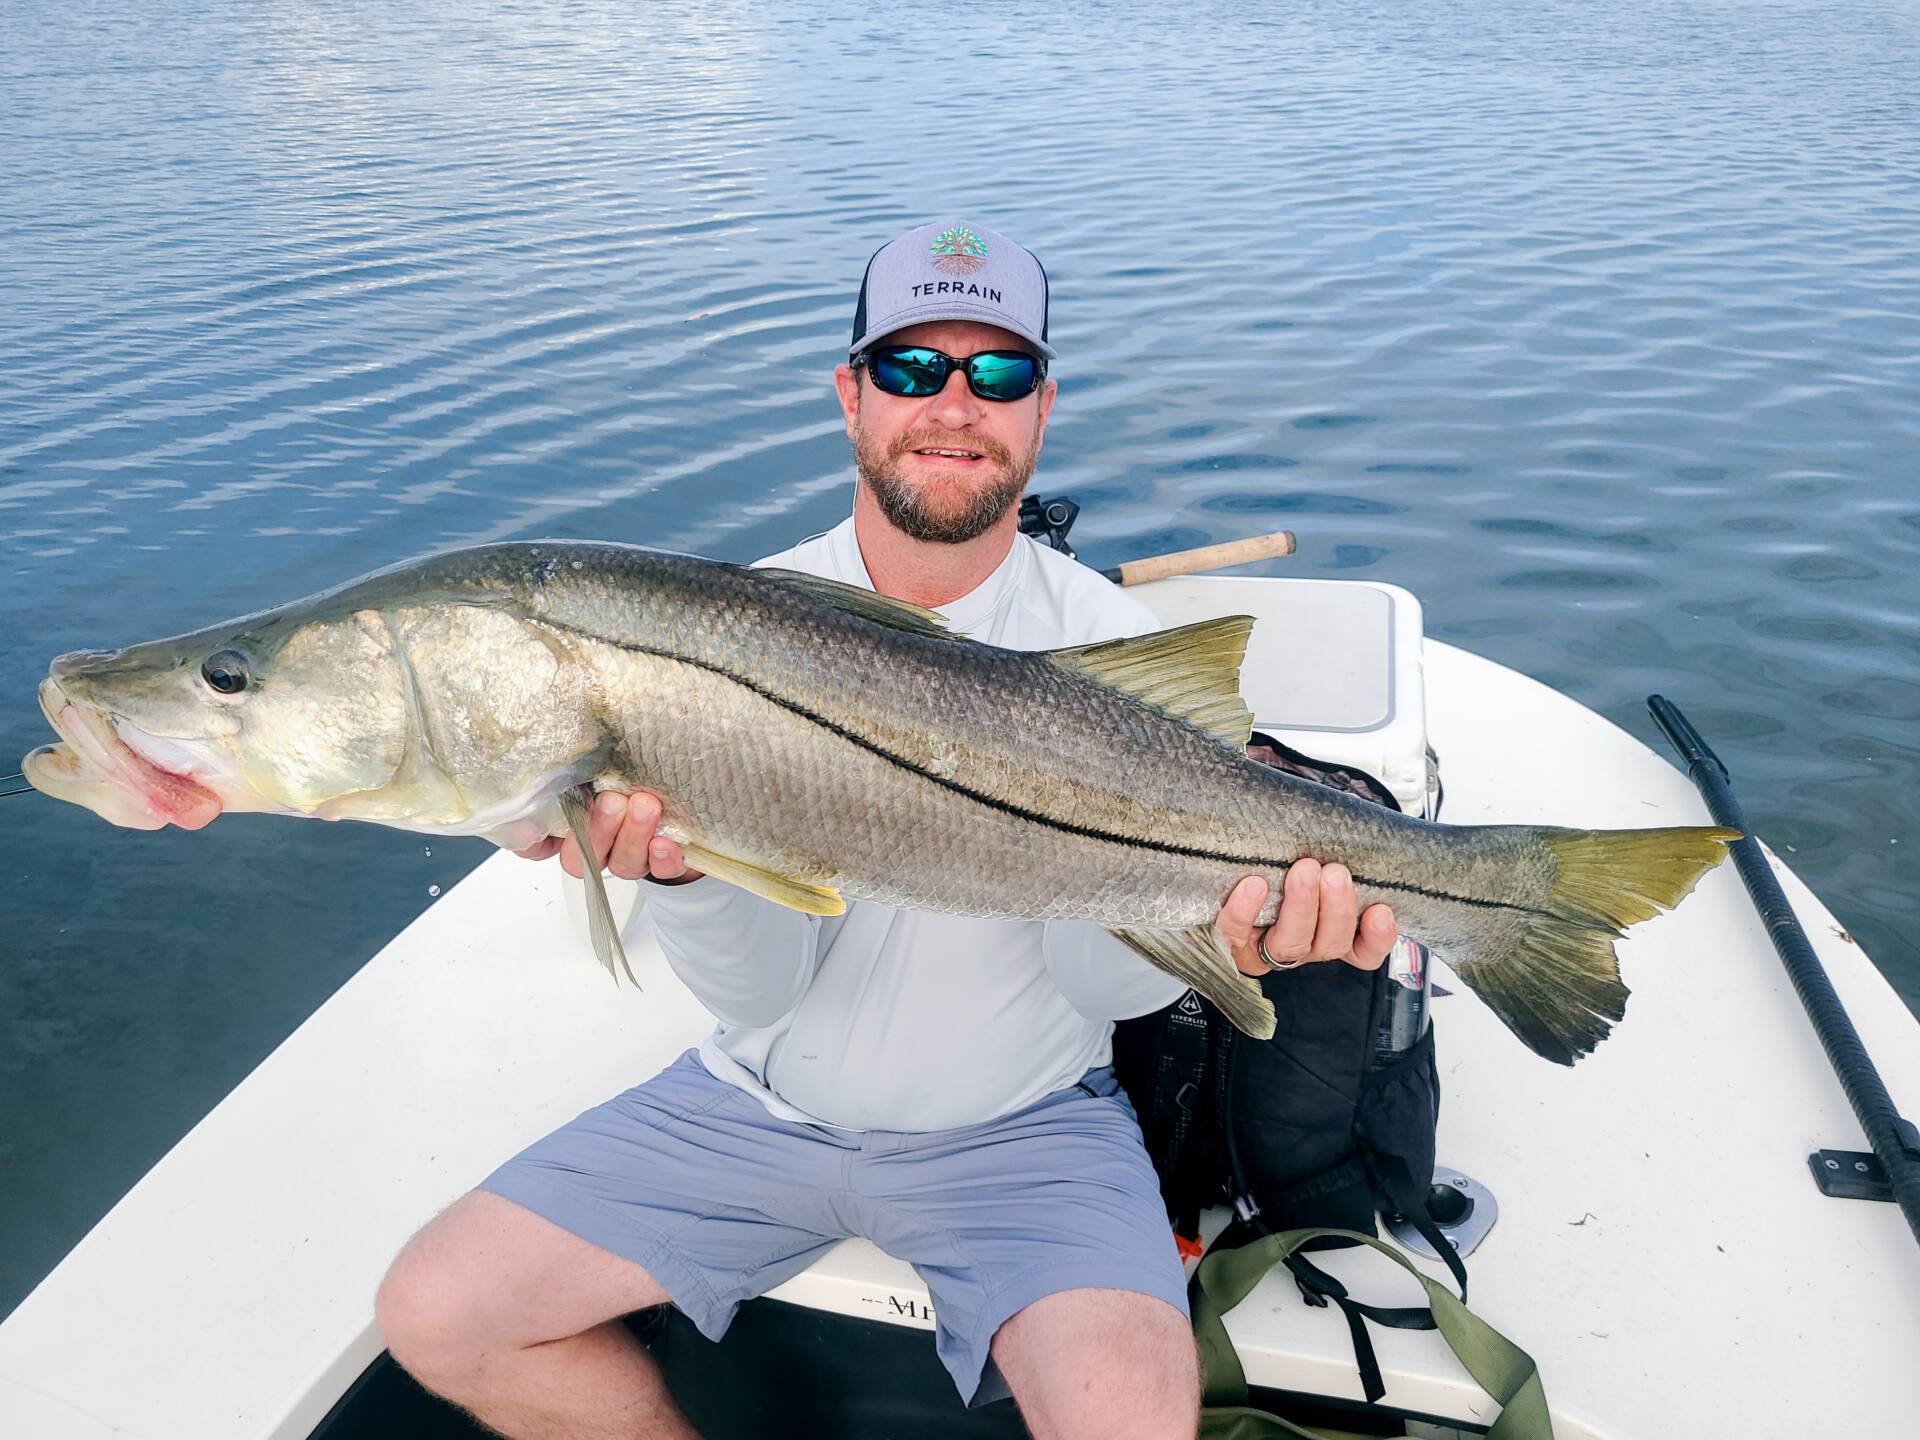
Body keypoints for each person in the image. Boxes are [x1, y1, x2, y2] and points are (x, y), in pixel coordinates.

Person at [373, 220, 1398, 1440]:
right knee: (438, 1312)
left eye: (998, 374)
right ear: (851, 394)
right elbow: (759, 998)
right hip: (753, 1107)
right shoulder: (717, 635)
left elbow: (1101, 989)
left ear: (1042, 409)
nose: (954, 405)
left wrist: (1223, 930)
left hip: (1027, 1127)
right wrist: (685, 877)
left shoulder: (1104, 651)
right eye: (913, 369)